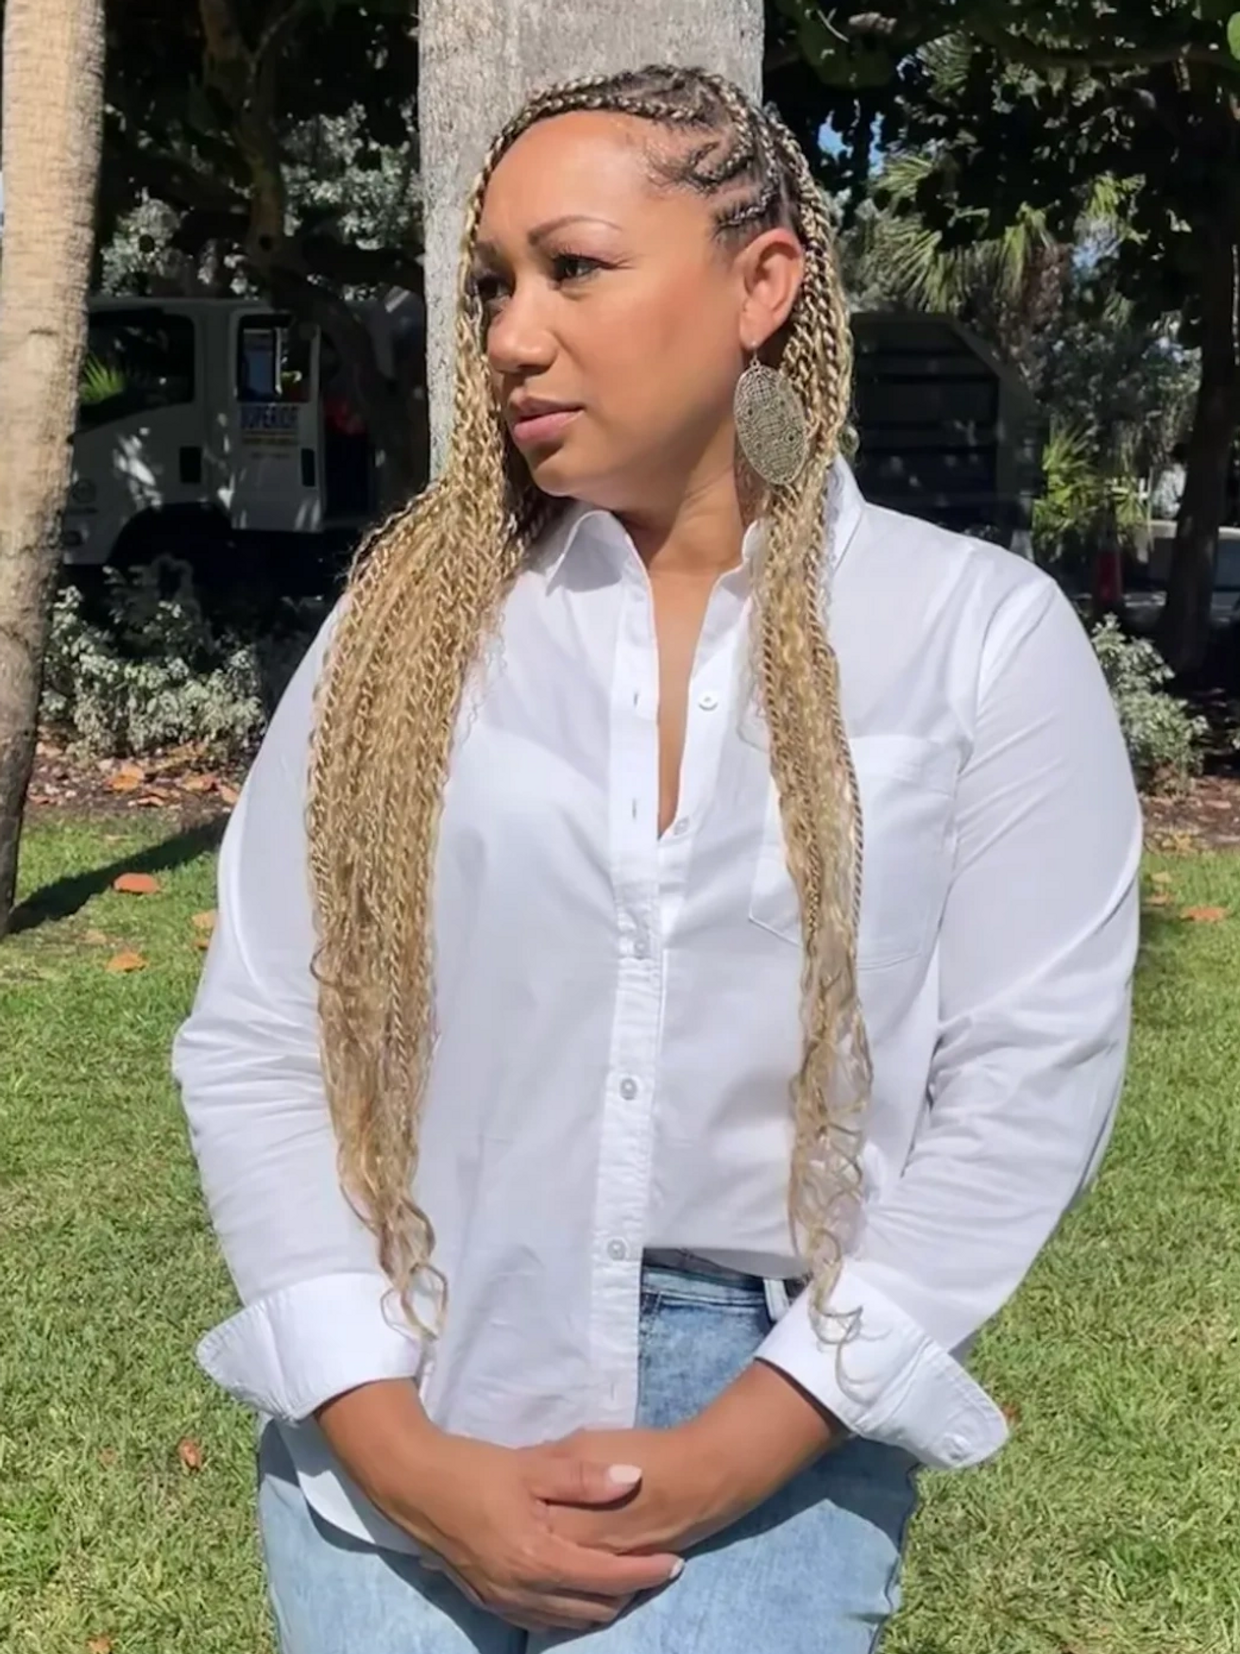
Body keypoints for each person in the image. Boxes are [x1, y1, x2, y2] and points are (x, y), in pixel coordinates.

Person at [173, 65, 1142, 1654]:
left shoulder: (968, 641)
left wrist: (737, 1447)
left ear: (761, 284)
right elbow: (262, 1034)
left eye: (576, 268)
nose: (509, 334)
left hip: (769, 1397)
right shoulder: (407, 637)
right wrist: (393, 1449)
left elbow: (1027, 1084)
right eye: (493, 283)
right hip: (418, 1358)